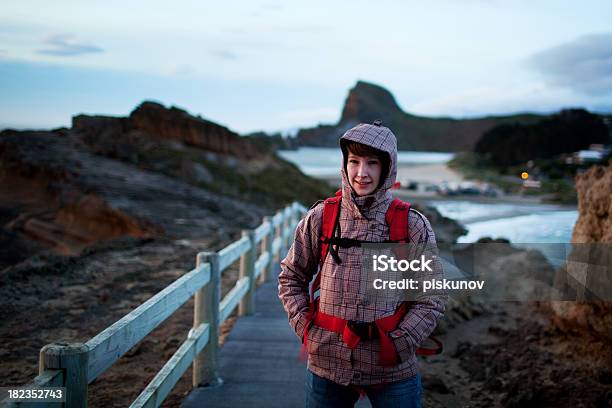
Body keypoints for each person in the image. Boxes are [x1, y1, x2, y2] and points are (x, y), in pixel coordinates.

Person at [278, 121, 446, 408]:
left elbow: (432, 295)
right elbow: (291, 277)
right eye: (354, 161)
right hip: (326, 362)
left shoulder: (411, 224)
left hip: (392, 366)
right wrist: (305, 328)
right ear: (344, 164)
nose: (361, 173)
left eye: (372, 163)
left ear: (387, 168)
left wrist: (402, 342)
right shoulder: (322, 217)